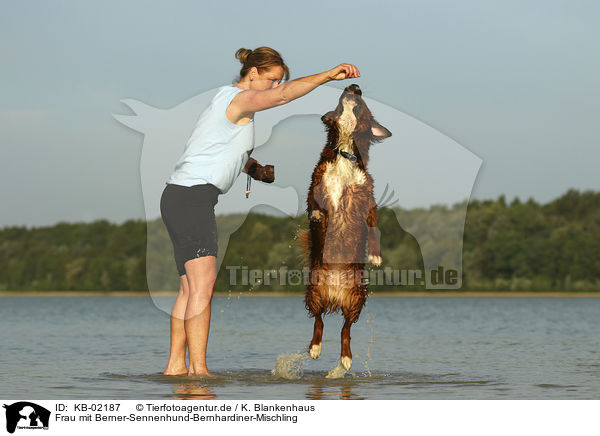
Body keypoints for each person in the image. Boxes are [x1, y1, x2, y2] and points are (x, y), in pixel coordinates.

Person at [160, 46, 360, 376]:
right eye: (271, 80)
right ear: (252, 73)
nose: (273, 86)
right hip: (192, 198)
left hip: (180, 197)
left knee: (189, 288)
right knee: (203, 287)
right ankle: (199, 373)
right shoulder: (237, 99)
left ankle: (175, 369)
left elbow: (214, 150)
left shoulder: (226, 102)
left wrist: (252, 168)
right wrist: (327, 75)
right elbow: (281, 98)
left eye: (278, 81)